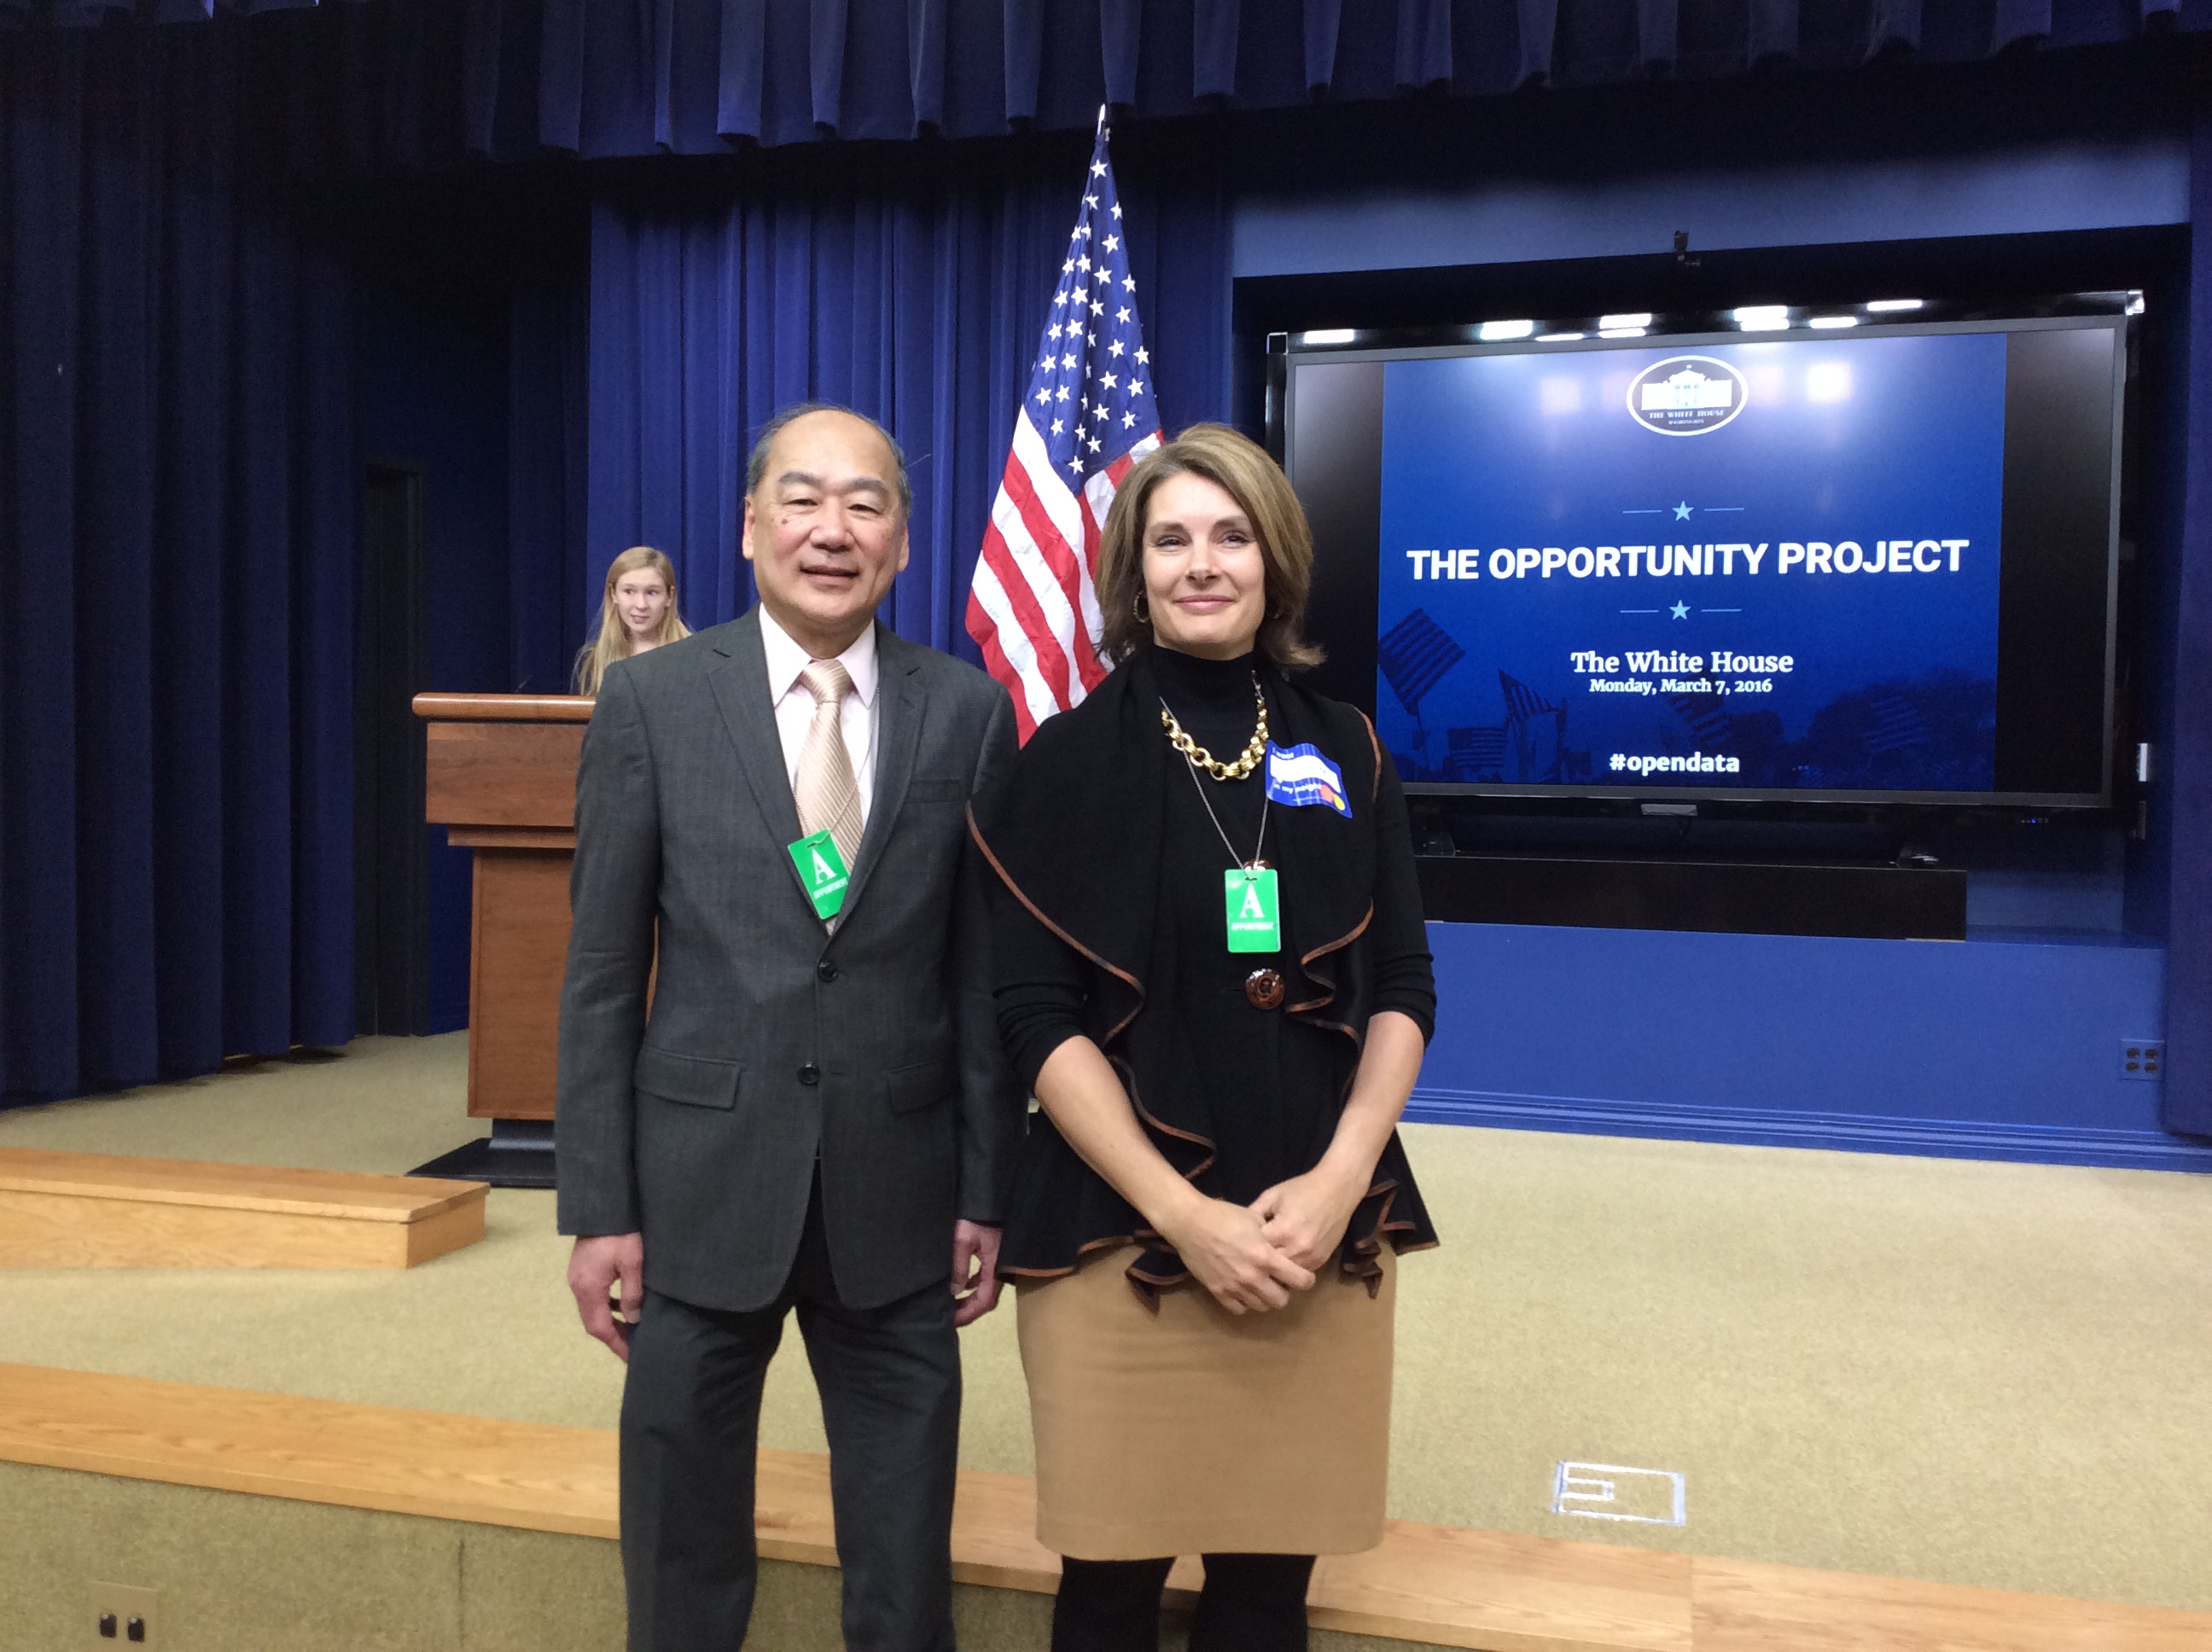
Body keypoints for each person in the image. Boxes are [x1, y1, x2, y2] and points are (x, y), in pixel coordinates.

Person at [556, 404, 1022, 1651]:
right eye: (803, 500)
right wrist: (600, 1205)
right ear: (751, 524)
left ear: (904, 543)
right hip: (697, 1192)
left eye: (865, 504)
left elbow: (978, 977)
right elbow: (602, 974)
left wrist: (987, 1186)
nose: (833, 529)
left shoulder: (969, 714)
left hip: (902, 1195)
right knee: (681, 1547)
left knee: (902, 1556)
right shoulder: (652, 704)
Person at [971, 423, 1439, 1652]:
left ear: (1275, 559)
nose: (1202, 563)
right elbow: (1035, 1020)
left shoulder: (1352, 746)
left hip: (1311, 1235)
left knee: (1266, 1593)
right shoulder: (1062, 761)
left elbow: (1403, 989)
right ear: (1132, 572)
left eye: (1231, 536)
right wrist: (1185, 1218)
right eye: (1171, 538)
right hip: (1119, 1240)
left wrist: (1342, 1183)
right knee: (1110, 1588)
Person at [573, 545, 692, 695]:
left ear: (669, 597)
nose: (641, 605)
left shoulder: (695, 657)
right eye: (629, 591)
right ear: (613, 594)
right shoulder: (592, 660)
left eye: (652, 592)